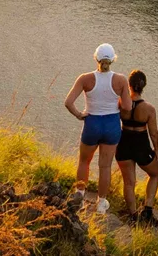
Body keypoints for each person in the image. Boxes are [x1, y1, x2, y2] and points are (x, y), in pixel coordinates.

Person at [63, 43, 132, 205]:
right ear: (113, 59)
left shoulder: (85, 79)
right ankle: (101, 202)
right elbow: (128, 107)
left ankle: (79, 195)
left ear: (96, 58)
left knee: (84, 161)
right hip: (112, 124)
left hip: (92, 122)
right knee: (105, 166)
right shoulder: (121, 80)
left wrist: (80, 115)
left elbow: (68, 102)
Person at [115, 70, 158, 224]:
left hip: (124, 142)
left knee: (129, 182)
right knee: (155, 173)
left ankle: (133, 216)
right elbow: (153, 133)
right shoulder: (148, 108)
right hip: (141, 144)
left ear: (129, 85)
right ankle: (147, 209)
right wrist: (156, 150)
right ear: (143, 86)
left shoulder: (120, 103)